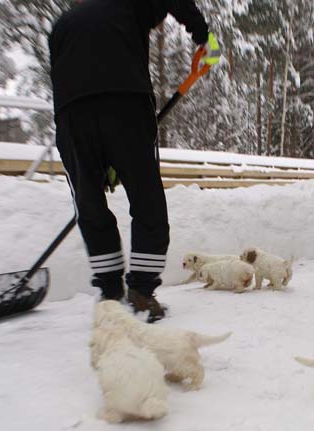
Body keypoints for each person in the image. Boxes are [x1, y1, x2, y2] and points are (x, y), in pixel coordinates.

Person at [49, 0, 220, 322]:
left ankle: (110, 293)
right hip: (126, 104)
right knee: (146, 201)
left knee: (89, 204)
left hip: (71, 115)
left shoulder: (62, 24)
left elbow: (62, 81)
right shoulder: (130, 5)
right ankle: (141, 292)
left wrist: (96, 158)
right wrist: (203, 36)